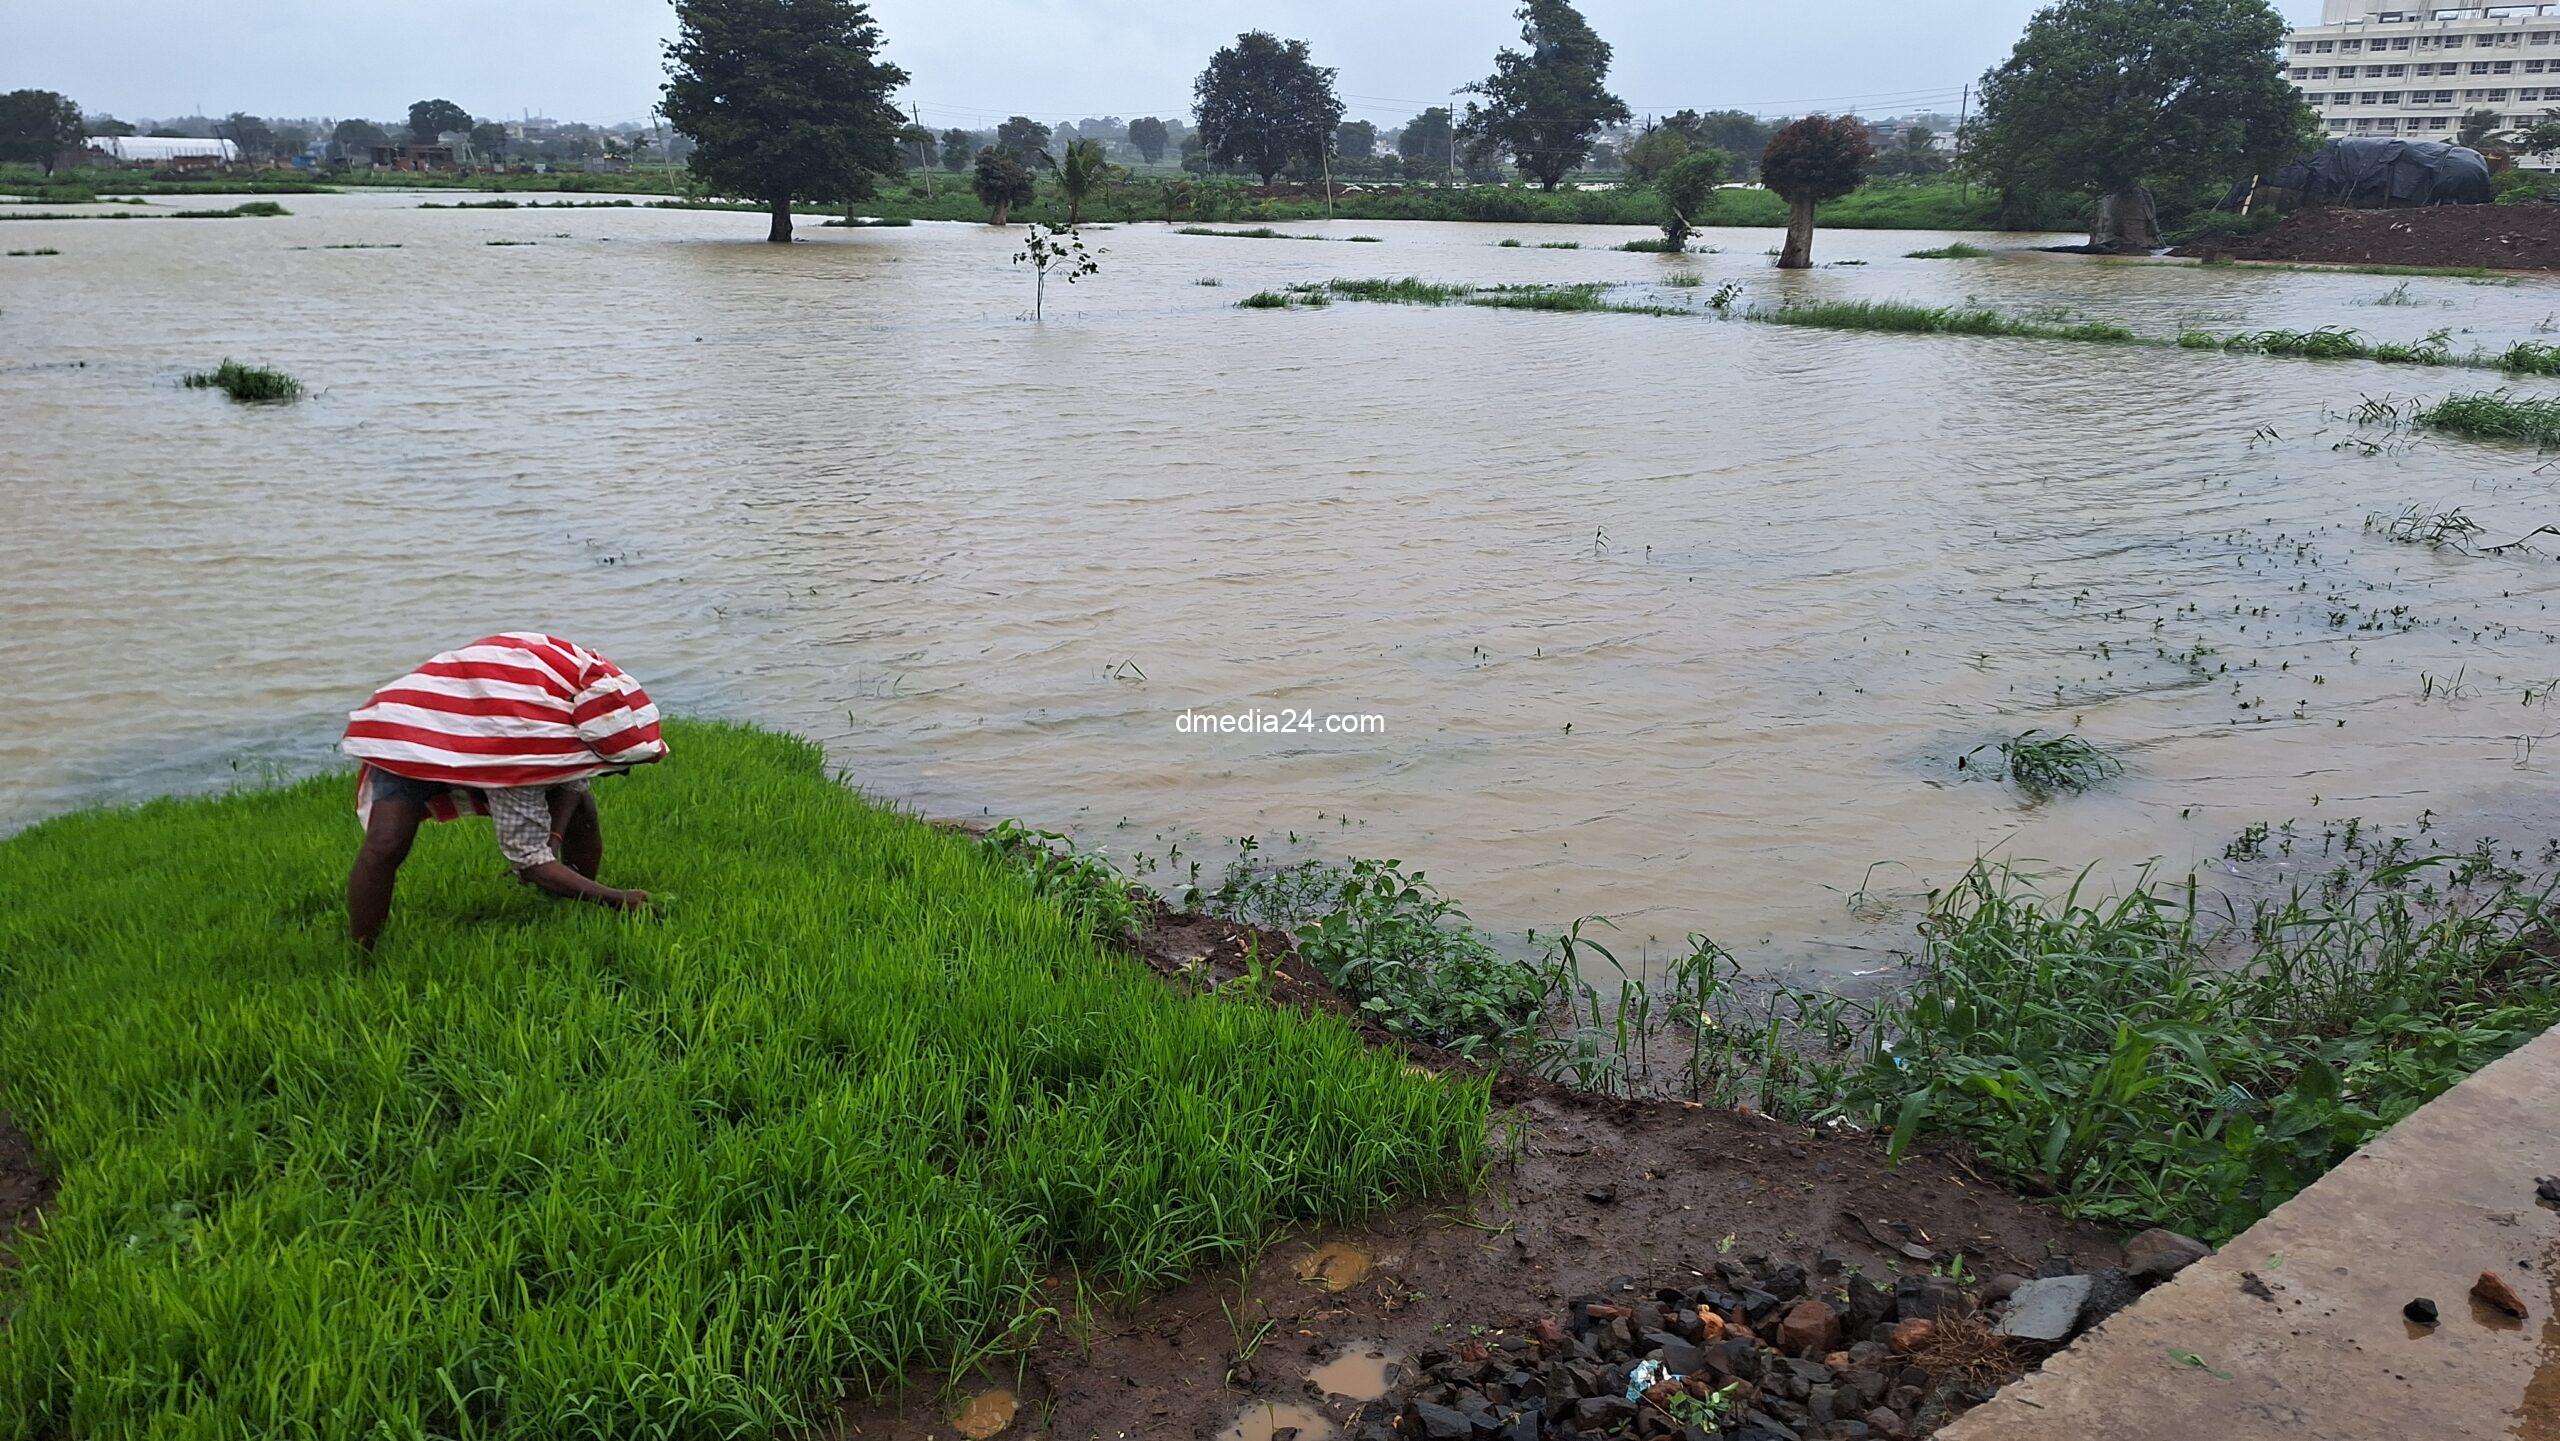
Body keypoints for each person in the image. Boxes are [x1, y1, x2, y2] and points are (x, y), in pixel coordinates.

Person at [342, 632, 669, 949]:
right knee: (387, 842)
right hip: (409, 728)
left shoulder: (579, 708)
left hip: (484, 719)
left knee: (582, 811)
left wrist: (552, 838)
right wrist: (619, 899)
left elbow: (570, 782)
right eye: (620, 767)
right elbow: (529, 864)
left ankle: (570, 904)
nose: (622, 775)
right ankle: (363, 952)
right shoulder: (521, 752)